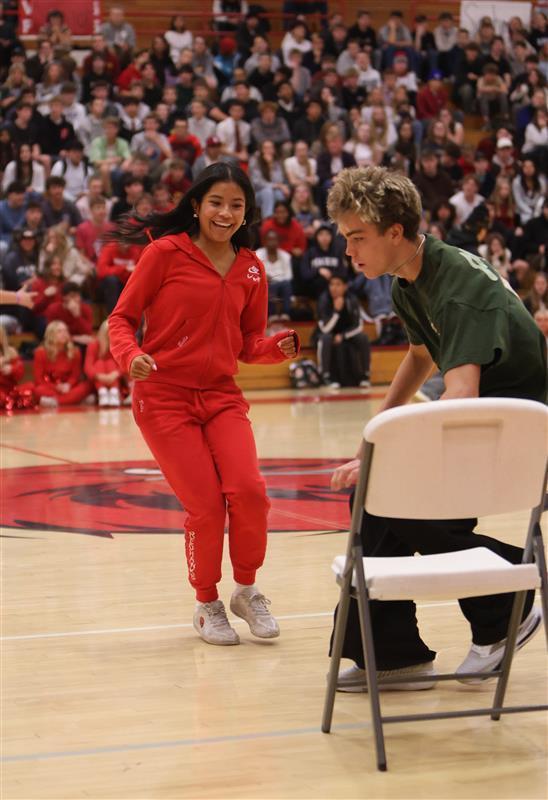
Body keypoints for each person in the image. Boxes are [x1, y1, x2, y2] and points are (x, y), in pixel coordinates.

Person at [325, 165, 546, 692]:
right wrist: (373, 440)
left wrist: (392, 455)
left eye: (358, 237)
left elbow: (461, 397)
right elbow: (421, 357)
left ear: (395, 232)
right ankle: (393, 653)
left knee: (400, 495)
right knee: (378, 493)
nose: (349, 251)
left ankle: (506, 601)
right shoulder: (412, 278)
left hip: (518, 435)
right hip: (488, 423)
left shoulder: (457, 287)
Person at [108, 162, 299, 646]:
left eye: (237, 205)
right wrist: (132, 356)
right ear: (196, 205)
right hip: (164, 398)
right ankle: (206, 603)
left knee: (250, 490)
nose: (226, 213)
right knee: (207, 507)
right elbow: (121, 319)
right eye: (216, 202)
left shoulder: (253, 267)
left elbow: (247, 342)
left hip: (220, 395)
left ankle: (247, 590)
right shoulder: (163, 254)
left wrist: (273, 348)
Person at [316, 274, 371, 388]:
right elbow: (325, 329)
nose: (334, 288)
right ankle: (325, 376)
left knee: (363, 337)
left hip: (346, 334)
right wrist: (336, 311)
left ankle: (365, 375)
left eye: (338, 284)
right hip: (327, 333)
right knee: (325, 338)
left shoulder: (352, 299)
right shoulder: (324, 299)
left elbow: (359, 325)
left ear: (345, 287)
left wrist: (343, 336)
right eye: (331, 284)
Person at [33, 320, 93, 408]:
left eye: (65, 331)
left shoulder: (75, 352)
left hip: (69, 388)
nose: (64, 334)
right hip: (50, 387)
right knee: (37, 390)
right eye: (59, 331)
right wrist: (56, 387)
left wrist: (68, 385)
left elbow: (75, 376)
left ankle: (57, 402)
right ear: (51, 335)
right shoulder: (40, 352)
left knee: (88, 385)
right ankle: (74, 400)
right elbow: (39, 379)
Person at [85, 319, 124, 407]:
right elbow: (88, 367)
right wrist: (99, 376)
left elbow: (123, 364)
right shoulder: (93, 345)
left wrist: (115, 374)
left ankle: (114, 392)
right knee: (100, 363)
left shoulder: (118, 345)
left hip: (116, 379)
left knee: (110, 362)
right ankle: (102, 393)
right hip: (97, 380)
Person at [255, 229, 293, 319]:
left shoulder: (286, 256)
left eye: (274, 239)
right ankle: (272, 315)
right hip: (264, 283)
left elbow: (289, 276)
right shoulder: (258, 254)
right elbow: (255, 273)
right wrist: (265, 277)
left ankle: (285, 314)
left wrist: (275, 280)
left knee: (286, 285)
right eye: (269, 239)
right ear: (265, 241)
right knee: (267, 285)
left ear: (278, 242)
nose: (272, 242)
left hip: (282, 284)